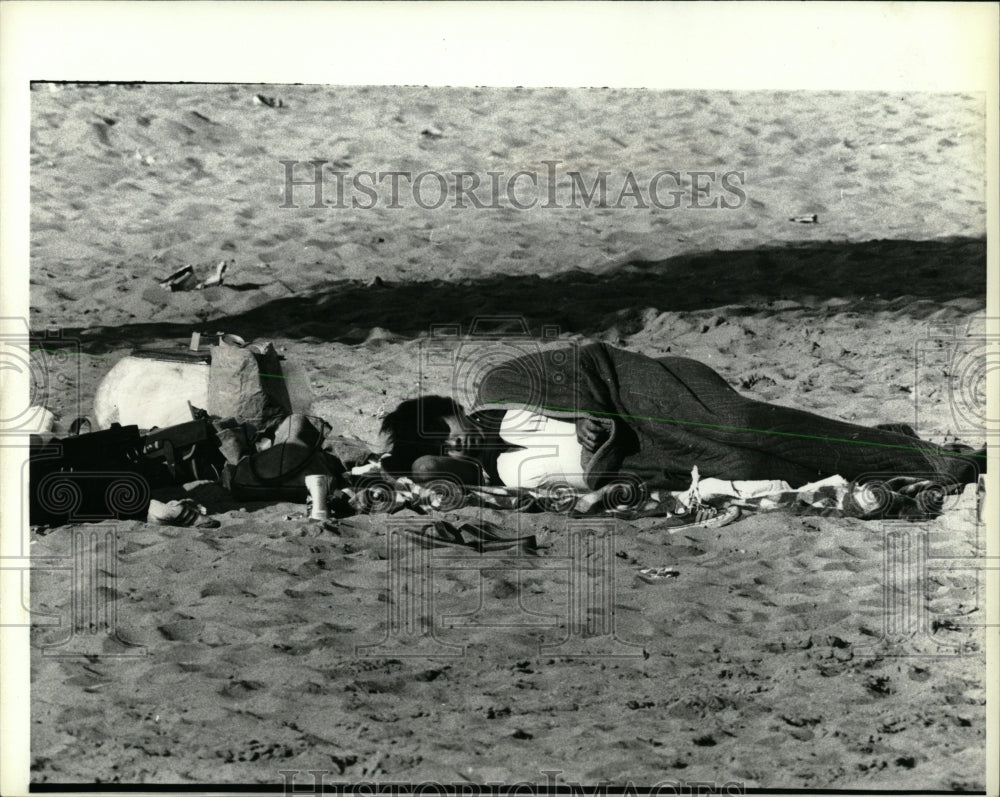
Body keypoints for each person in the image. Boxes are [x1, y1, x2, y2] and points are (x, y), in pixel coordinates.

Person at [379, 342, 984, 493]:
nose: (457, 446)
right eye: (446, 449)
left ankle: (927, 458)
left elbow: (588, 360)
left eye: (445, 431)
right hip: (648, 456)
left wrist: (591, 419)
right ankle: (884, 448)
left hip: (647, 397)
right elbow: (596, 485)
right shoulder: (508, 482)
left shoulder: (500, 385)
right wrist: (598, 463)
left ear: (449, 410)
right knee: (752, 464)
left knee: (742, 427)